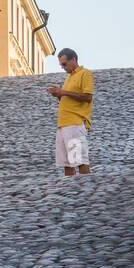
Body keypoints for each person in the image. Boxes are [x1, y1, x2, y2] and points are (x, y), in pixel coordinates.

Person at [48, 47, 94, 176]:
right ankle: (72, 190)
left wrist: (62, 92)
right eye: (61, 65)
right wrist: (58, 95)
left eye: (64, 64)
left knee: (79, 161)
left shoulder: (85, 73)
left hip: (75, 124)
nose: (63, 67)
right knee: (66, 163)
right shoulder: (68, 78)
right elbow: (69, 99)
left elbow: (88, 97)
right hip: (62, 125)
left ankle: (86, 188)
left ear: (73, 59)